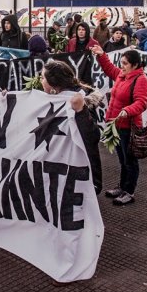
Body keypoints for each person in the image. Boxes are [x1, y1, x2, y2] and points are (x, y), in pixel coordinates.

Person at [90, 46, 147, 205]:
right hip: (116, 125)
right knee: (123, 159)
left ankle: (129, 191)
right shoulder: (122, 76)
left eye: (125, 63)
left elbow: (142, 103)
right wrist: (102, 55)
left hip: (128, 127)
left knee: (130, 161)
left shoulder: (141, 80)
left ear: (135, 65)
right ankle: (122, 187)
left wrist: (127, 110)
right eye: (121, 63)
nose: (121, 66)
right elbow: (110, 69)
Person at [41, 60, 104, 195]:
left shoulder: (82, 99)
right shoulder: (52, 99)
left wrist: (81, 111)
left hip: (81, 171)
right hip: (64, 170)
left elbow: (93, 137)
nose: (40, 81)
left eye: (42, 78)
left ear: (53, 83)